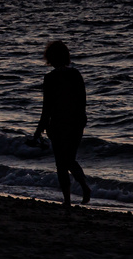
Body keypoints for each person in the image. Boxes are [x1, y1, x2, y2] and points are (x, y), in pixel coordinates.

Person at [32, 39, 90, 206]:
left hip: (57, 125)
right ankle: (84, 187)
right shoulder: (76, 74)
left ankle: (67, 199)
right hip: (76, 124)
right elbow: (82, 102)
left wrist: (38, 131)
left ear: (50, 58)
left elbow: (46, 109)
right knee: (69, 159)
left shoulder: (50, 78)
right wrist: (81, 121)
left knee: (61, 162)